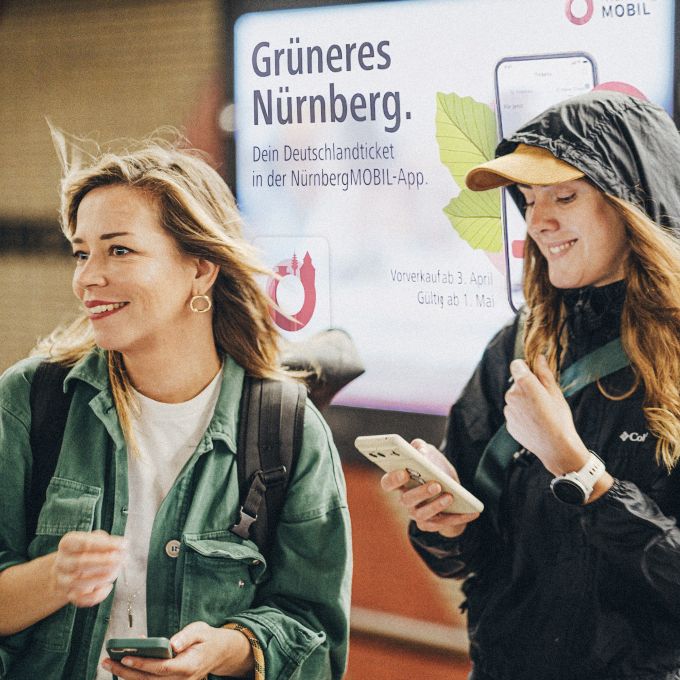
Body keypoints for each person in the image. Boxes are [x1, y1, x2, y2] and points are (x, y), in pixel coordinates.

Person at [0, 137, 351, 680]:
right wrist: (54, 578)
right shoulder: (32, 401)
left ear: (201, 268)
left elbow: (315, 631)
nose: (87, 276)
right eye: (81, 251)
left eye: (119, 250)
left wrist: (228, 648)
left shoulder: (285, 427)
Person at [382, 90, 680, 679]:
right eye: (527, 198)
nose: (538, 221)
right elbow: (476, 560)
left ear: (634, 202)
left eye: (564, 196)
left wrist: (580, 471)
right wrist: (444, 523)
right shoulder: (517, 349)